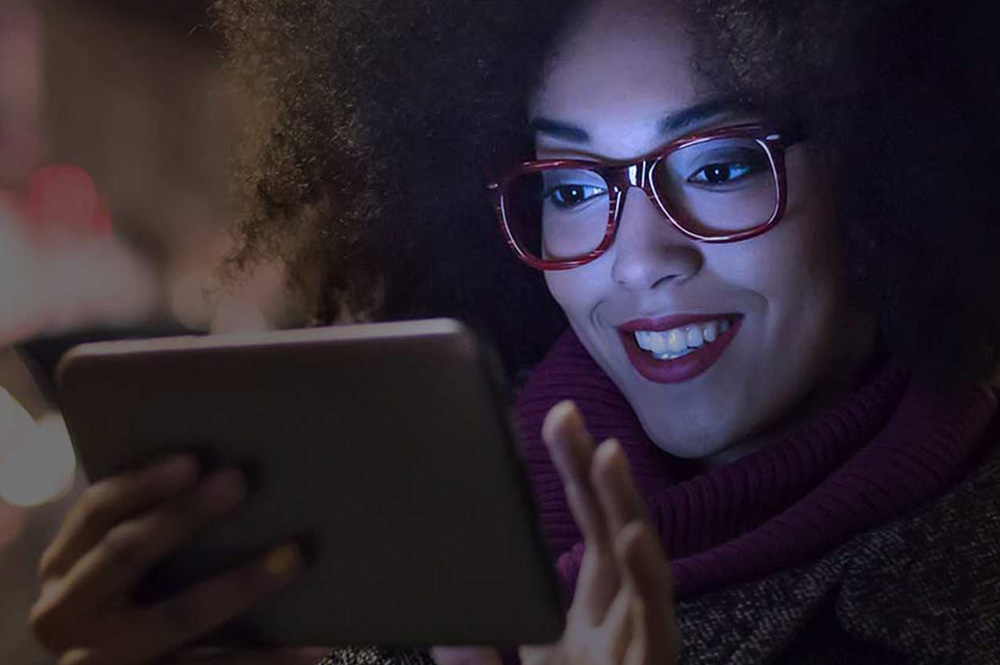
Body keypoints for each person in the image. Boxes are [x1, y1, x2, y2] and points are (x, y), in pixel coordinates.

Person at [29, 0, 1000, 663]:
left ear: (888, 174)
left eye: (715, 166)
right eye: (573, 187)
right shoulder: (400, 571)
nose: (637, 257)